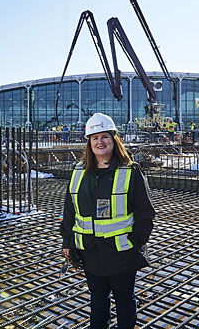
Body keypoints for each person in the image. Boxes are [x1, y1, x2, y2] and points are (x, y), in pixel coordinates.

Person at [60, 113, 155, 328]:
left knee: (124, 300)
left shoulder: (130, 171)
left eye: (105, 137)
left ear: (114, 140)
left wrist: (135, 242)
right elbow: (69, 211)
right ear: (89, 143)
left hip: (121, 252)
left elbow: (145, 213)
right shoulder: (78, 172)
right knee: (98, 299)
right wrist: (67, 242)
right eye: (94, 138)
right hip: (91, 251)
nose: (100, 142)